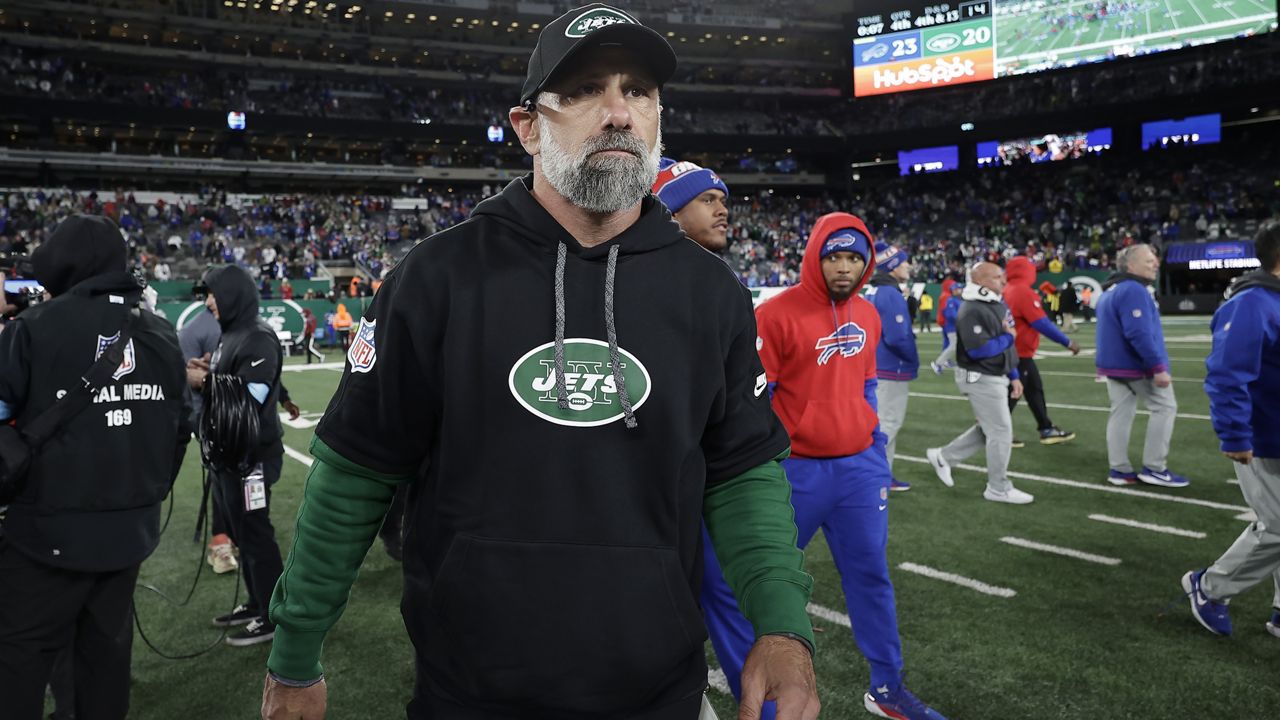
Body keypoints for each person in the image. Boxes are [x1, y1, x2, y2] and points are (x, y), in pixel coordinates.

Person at [261, 5, 820, 719]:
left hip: (659, 695)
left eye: (638, 91)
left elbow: (743, 472)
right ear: (527, 126)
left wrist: (781, 626)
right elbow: (355, 474)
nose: (619, 112)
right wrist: (296, 651)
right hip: (470, 695)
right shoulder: (438, 278)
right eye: (586, 89)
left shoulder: (709, 293)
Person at [701, 215, 946, 720]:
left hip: (858, 472)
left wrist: (874, 448)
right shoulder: (776, 314)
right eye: (834, 256)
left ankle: (888, 688)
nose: (844, 267)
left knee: (871, 576)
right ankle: (752, 687)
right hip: (794, 472)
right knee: (741, 580)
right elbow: (750, 398)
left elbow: (868, 384)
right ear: (814, 255)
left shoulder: (870, 312)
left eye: (854, 257)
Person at [0, 214, 191, 719]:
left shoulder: (33, 328)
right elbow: (180, 432)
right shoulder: (162, 333)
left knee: (18, 669)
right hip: (128, 538)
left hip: (41, 537)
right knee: (103, 666)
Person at [1181, 224, 1280, 637]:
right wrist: (1235, 434)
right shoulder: (1253, 301)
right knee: (1277, 526)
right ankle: (1209, 588)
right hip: (1264, 435)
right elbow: (1226, 374)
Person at [186, 264, 287, 647]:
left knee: (256, 533)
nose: (209, 302)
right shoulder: (231, 334)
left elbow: (250, 396)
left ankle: (273, 614)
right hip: (231, 456)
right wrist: (210, 369)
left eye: (212, 293)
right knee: (243, 533)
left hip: (253, 459)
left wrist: (205, 380)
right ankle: (256, 601)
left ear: (232, 293)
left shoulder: (258, 336)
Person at [925, 263, 1034, 505]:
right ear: (981, 280)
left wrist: (1014, 374)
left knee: (990, 429)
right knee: (1000, 431)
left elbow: (1007, 346)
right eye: (996, 277)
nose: (1003, 281)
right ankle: (998, 487)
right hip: (980, 375)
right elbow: (978, 350)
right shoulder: (972, 308)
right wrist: (1007, 338)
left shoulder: (995, 303)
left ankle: (944, 457)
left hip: (995, 374)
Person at [1094, 244, 1188, 487]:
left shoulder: (1111, 289)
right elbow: (1138, 333)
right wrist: (1157, 366)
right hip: (1135, 366)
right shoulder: (1134, 290)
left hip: (1113, 366)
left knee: (1121, 414)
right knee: (1165, 408)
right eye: (1149, 261)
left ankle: (1119, 470)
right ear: (1131, 265)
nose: (1155, 263)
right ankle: (1155, 468)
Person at [179, 305, 239, 575]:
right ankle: (220, 542)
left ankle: (232, 533)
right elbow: (186, 379)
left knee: (234, 476)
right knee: (221, 475)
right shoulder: (195, 330)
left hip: (233, 415)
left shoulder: (238, 327)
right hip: (209, 416)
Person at [1003, 256, 1079, 446]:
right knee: (1014, 392)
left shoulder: (1008, 289)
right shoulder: (1022, 291)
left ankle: (1045, 427)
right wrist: (1067, 342)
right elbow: (1041, 322)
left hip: (1013, 350)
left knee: (1032, 389)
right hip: (1019, 351)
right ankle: (996, 430)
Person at [866, 241, 918, 491]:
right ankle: (876, 477)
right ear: (893, 265)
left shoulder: (879, 291)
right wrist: (912, 360)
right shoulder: (889, 293)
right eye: (904, 261)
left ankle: (883, 475)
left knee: (885, 423)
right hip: (890, 367)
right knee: (888, 424)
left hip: (879, 365)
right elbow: (897, 337)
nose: (907, 265)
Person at [651, 157, 729, 252]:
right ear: (671, 214)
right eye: (708, 200)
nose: (724, 211)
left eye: (723, 202)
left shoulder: (716, 266)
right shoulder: (641, 265)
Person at [930, 282, 963, 374]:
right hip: (952, 327)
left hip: (959, 327)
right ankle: (938, 363)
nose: (958, 291)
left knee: (959, 346)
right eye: (956, 289)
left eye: (959, 289)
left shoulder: (960, 300)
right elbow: (951, 314)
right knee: (953, 346)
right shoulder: (951, 300)